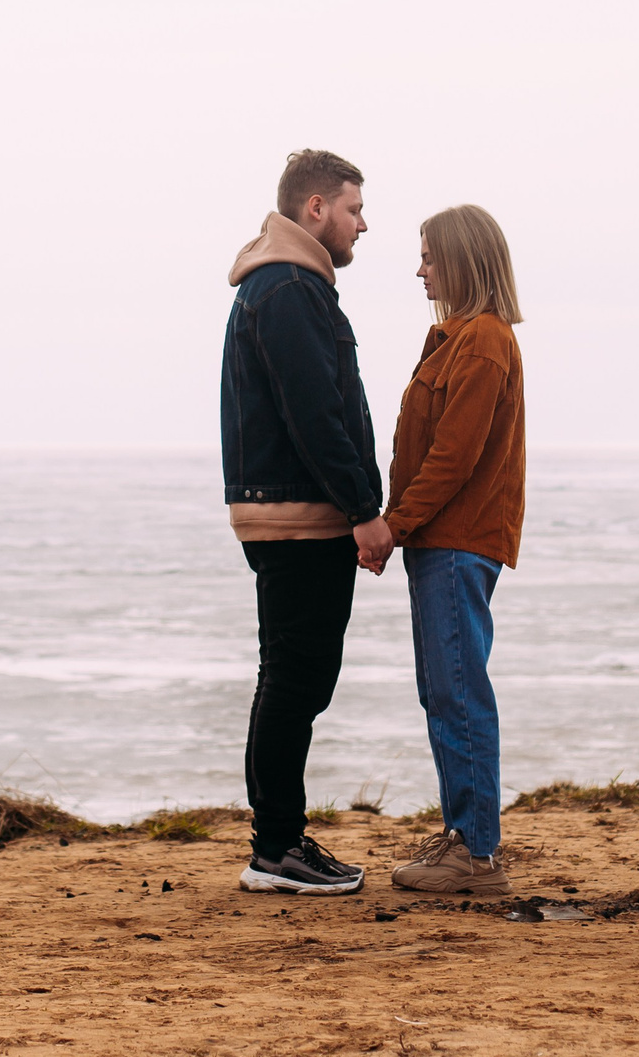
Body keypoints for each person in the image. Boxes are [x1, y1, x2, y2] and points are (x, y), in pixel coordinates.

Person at [220, 149, 398, 895]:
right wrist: (363, 510)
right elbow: (314, 413)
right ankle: (276, 849)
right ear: (316, 208)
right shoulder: (290, 287)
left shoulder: (293, 284)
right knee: (296, 681)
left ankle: (281, 840)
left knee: (291, 678)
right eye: (355, 209)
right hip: (302, 517)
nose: (364, 223)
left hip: (293, 511)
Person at [386, 204, 526, 898]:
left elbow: (453, 456)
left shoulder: (485, 341)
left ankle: (475, 852)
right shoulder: (453, 338)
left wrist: (394, 524)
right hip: (437, 540)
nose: (420, 268)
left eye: (430, 257)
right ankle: (463, 838)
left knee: (460, 691)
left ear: (463, 260)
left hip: (456, 541)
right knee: (445, 690)